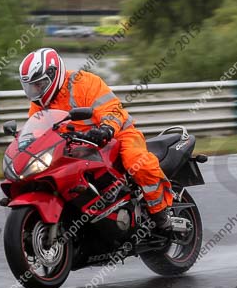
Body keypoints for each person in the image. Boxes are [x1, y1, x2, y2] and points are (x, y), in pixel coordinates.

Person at [19, 47, 173, 231]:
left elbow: (113, 110)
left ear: (54, 75)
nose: (35, 90)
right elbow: (37, 131)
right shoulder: (39, 104)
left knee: (137, 162)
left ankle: (160, 214)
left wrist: (106, 128)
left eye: (39, 84)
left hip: (117, 136)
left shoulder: (84, 83)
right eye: (31, 86)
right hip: (76, 147)